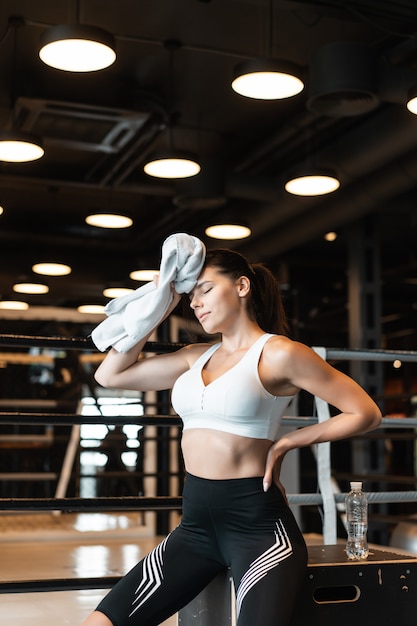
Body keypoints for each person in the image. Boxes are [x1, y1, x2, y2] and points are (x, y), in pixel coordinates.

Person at [83, 247, 382, 626]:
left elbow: (366, 412)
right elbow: (110, 376)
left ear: (241, 286)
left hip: (258, 529)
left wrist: (290, 441)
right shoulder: (195, 357)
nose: (195, 304)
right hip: (194, 527)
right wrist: (155, 308)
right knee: (99, 623)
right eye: (190, 298)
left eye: (205, 290)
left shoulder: (279, 354)